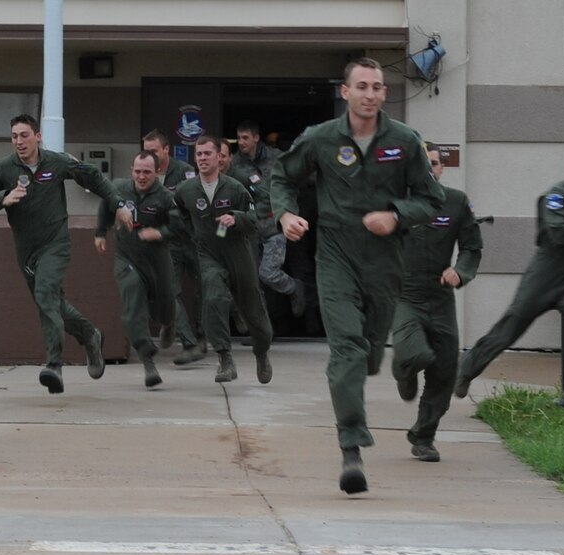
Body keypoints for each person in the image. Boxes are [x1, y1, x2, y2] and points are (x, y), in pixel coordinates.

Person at [269, 57, 446, 494]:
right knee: (346, 348)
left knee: (368, 352)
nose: (370, 94)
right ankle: (351, 446)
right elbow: (281, 176)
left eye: (377, 87)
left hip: (386, 259)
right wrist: (286, 213)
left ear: (385, 94)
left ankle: (372, 359)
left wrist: (396, 216)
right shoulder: (321, 139)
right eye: (362, 86)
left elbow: (432, 199)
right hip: (336, 254)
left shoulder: (404, 141)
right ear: (345, 92)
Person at [0, 114, 132, 394]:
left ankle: (54, 365)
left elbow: (92, 176)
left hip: (55, 244)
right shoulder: (2, 169)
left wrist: (118, 203)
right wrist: (3, 198)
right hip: (26, 250)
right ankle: (90, 335)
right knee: (52, 304)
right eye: (14, 136)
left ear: (38, 136)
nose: (19, 142)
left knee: (46, 294)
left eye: (24, 135)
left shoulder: (56, 162)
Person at [455, 145, 564, 408]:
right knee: (508, 331)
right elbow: (558, 235)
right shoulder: (555, 197)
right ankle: (465, 369)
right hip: (544, 276)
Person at [391, 142, 483, 463]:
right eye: (423, 163)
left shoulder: (456, 202)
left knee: (445, 369)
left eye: (435, 163)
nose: (430, 169)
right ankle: (404, 371)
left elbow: (472, 247)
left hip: (441, 297)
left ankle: (424, 436)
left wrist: (460, 271)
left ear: (442, 169)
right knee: (415, 353)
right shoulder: (396, 203)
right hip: (405, 294)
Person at [174, 135, 274, 385]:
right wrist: (195, 233)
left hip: (237, 252)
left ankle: (261, 352)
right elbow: (181, 212)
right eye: (199, 154)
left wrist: (235, 217)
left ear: (219, 157)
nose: (203, 158)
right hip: (208, 253)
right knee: (213, 297)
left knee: (254, 311)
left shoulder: (235, 187)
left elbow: (253, 221)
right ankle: (225, 358)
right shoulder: (186, 189)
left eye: (207, 154)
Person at [94, 151, 179, 388]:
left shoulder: (166, 197)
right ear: (131, 170)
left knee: (166, 309)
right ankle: (147, 359)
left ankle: (170, 321)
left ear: (158, 172)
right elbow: (106, 204)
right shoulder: (119, 188)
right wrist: (100, 232)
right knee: (131, 297)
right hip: (127, 257)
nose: (141, 176)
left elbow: (181, 227)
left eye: (147, 172)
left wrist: (160, 233)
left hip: (157, 260)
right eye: (137, 171)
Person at [142, 129, 205, 366]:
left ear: (166, 150)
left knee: (204, 289)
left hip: (191, 239)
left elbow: (187, 197)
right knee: (171, 291)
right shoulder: (144, 174)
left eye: (154, 151)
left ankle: (201, 336)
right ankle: (189, 342)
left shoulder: (184, 171)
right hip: (166, 244)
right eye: (146, 151)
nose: (150, 156)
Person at [234, 121, 306, 320]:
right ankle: (261, 329)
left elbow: (293, 178)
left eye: (245, 137)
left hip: (273, 226)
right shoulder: (235, 164)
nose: (241, 142)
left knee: (268, 274)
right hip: (251, 229)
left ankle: (294, 288)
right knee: (252, 281)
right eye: (239, 138)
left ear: (256, 137)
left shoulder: (276, 157)